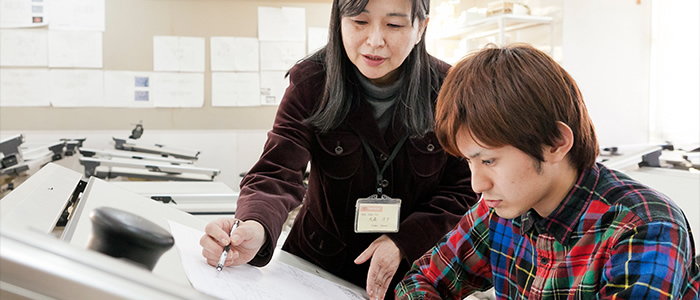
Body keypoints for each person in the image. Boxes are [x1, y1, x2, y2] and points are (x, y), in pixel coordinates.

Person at [200, 0, 478, 299]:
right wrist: (255, 226)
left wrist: (405, 240)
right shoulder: (311, 82)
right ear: (339, 21)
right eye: (359, 22)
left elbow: (463, 189)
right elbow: (277, 171)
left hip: (412, 273)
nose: (375, 41)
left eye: (394, 25)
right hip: (315, 267)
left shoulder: (449, 88)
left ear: (421, 28)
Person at [395, 43, 700, 299]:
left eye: (488, 161)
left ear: (555, 143)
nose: (477, 184)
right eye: (469, 162)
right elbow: (420, 281)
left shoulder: (644, 227)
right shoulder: (496, 212)